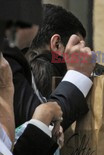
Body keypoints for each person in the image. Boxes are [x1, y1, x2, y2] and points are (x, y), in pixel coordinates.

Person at [2, 3, 94, 131]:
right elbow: (38, 130)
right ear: (56, 44)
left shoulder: (16, 61)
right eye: (77, 46)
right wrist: (78, 74)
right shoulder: (5, 58)